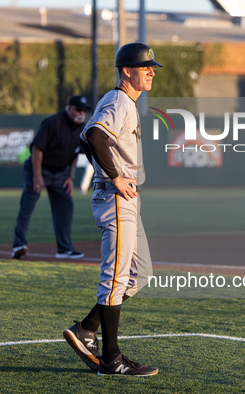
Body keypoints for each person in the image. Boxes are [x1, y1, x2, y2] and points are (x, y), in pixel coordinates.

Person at [62, 43, 161, 376]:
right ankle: (111, 360)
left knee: (140, 273)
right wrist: (115, 176)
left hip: (126, 199)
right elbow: (93, 135)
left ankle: (86, 330)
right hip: (117, 200)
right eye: (145, 66)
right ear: (126, 71)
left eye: (151, 66)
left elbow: (84, 139)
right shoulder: (119, 99)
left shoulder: (124, 103)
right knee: (115, 279)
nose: (151, 70)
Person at [11, 95, 91, 260]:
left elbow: (75, 153)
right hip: (39, 169)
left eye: (84, 110)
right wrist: (37, 176)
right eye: (78, 109)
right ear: (69, 108)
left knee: (66, 204)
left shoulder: (82, 128)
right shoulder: (53, 123)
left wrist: (71, 177)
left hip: (60, 173)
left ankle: (64, 249)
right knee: (28, 205)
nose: (81, 113)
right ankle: (18, 244)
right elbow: (37, 150)